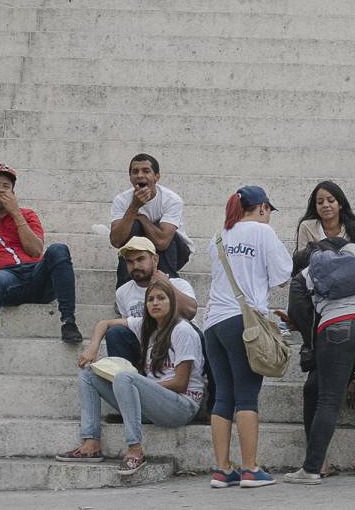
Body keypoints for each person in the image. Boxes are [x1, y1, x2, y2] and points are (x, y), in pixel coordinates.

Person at [57, 279, 205, 475]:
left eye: (161, 298)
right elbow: (105, 323)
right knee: (88, 374)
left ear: (173, 302)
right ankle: (91, 443)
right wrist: (92, 349)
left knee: (125, 378)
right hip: (153, 406)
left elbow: (180, 383)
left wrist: (141, 386)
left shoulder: (182, 330)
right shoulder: (146, 325)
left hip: (181, 406)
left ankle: (135, 450)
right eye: (150, 299)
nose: (155, 303)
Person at [285, 240, 355, 484]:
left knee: (328, 400)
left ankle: (312, 469)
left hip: (337, 326)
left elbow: (296, 305)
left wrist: (313, 333)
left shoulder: (308, 271)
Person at [203, 185, 294, 488]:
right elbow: (283, 274)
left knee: (223, 396)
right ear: (263, 208)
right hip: (243, 323)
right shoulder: (262, 232)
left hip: (212, 323)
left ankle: (222, 469)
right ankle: (250, 469)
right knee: (246, 396)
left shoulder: (219, 236)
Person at [0, 163, 81, 376]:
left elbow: (35, 251)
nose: (0, 189)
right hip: (7, 282)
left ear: (13, 193)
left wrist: (15, 214)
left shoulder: (28, 215)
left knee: (58, 250)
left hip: (36, 275)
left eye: (6, 186)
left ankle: (68, 322)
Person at [80, 237, 197, 366]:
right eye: (130, 262)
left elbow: (191, 312)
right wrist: (92, 348)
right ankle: (125, 377)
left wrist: (167, 285)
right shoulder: (123, 291)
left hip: (174, 345)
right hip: (144, 348)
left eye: (140, 259)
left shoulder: (178, 284)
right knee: (116, 333)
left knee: (195, 332)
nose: (135, 266)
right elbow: (123, 328)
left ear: (155, 259)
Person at [109, 153, 191, 288]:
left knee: (161, 232)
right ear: (130, 178)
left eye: (146, 171)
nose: (140, 175)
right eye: (135, 172)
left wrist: (142, 218)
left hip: (176, 250)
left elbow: (162, 243)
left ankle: (168, 290)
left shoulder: (171, 200)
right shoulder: (121, 200)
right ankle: (124, 291)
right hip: (139, 251)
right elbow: (116, 241)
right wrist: (134, 207)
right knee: (133, 228)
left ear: (156, 177)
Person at [295, 181, 355, 252]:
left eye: (331, 200)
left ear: (340, 204)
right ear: (315, 207)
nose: (325, 205)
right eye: (320, 202)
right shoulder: (306, 227)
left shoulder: (353, 229)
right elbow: (302, 260)